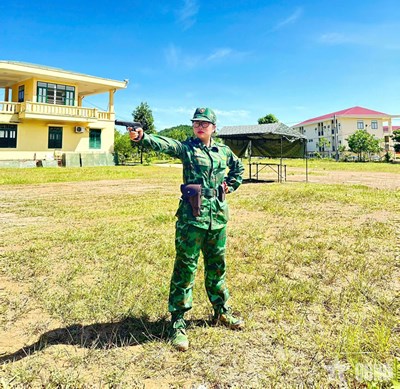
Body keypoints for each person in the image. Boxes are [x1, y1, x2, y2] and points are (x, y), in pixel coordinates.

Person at [129, 107, 245, 351]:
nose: (199, 126)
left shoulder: (223, 151)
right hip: (192, 219)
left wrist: (230, 186)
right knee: (185, 267)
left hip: (218, 218)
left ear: (214, 127)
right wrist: (143, 137)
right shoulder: (187, 148)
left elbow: (238, 169)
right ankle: (178, 321)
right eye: (196, 123)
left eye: (204, 123)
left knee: (217, 265)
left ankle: (221, 311)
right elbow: (166, 144)